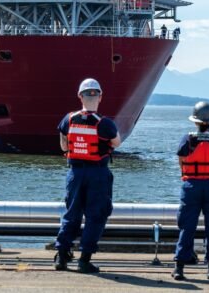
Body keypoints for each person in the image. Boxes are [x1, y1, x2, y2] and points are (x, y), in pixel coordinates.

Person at [54, 78, 122, 273]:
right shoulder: (105, 123)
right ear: (100, 97)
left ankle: (61, 256)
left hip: (75, 173)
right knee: (96, 216)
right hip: (98, 174)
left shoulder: (68, 120)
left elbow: (64, 146)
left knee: (71, 214)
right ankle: (84, 260)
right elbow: (116, 143)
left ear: (79, 96)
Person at [172, 101, 209, 281]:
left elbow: (181, 159)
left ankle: (179, 268)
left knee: (186, 226)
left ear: (195, 121)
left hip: (192, 185)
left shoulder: (187, 139)